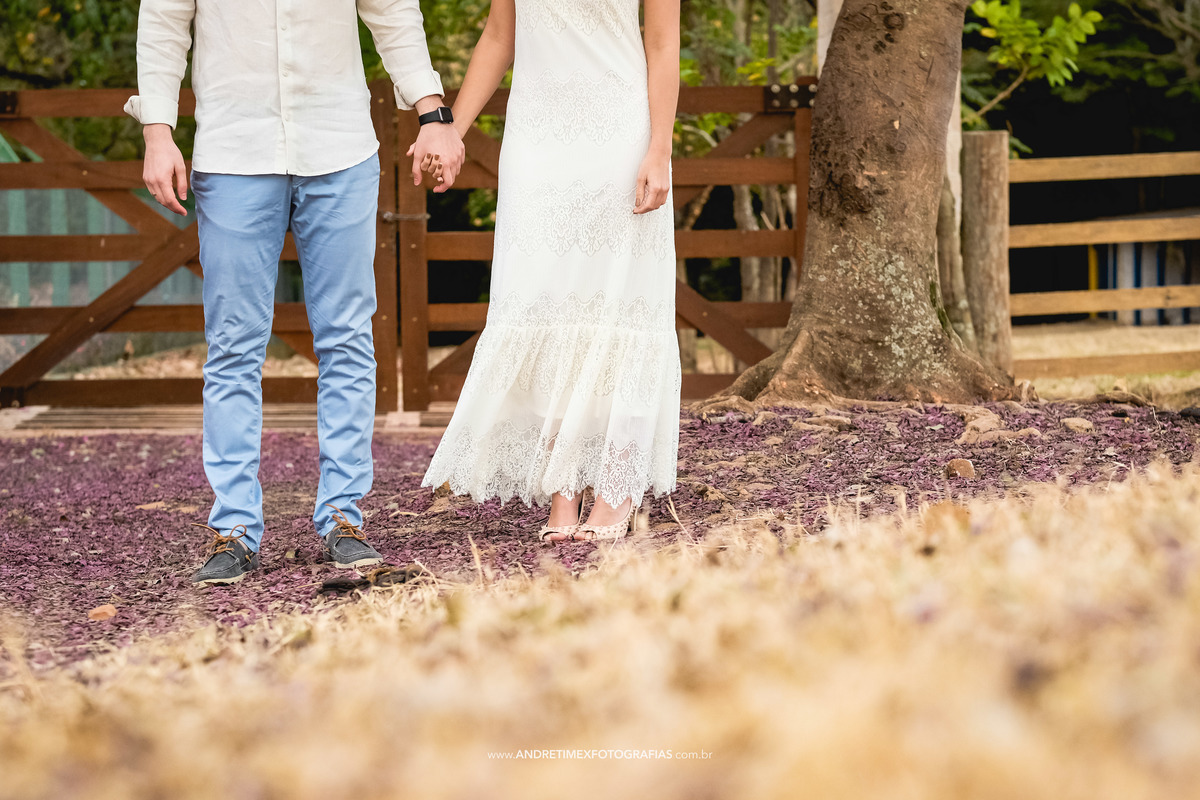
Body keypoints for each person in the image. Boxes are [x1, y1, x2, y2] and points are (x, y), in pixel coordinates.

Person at [126, 0, 465, 584]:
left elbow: (393, 12)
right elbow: (162, 23)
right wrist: (158, 133)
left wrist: (432, 115)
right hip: (233, 152)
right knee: (232, 347)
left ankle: (343, 518)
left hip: (340, 148)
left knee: (348, 339)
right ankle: (232, 527)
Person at [421, 0, 682, 540]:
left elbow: (662, 44)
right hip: (537, 142)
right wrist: (453, 132)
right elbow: (498, 35)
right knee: (546, 300)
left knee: (616, 303)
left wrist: (661, 149)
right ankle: (563, 483)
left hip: (619, 133)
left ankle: (616, 483)